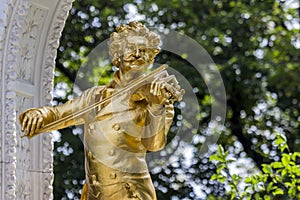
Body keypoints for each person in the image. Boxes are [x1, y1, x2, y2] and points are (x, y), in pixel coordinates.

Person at [19, 21, 183, 200]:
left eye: (143, 51)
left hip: (130, 192)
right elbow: (59, 114)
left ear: (150, 58)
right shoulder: (94, 96)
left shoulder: (156, 97)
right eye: (131, 48)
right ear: (117, 55)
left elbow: (155, 144)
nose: (137, 54)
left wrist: (156, 106)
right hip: (95, 192)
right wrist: (40, 114)